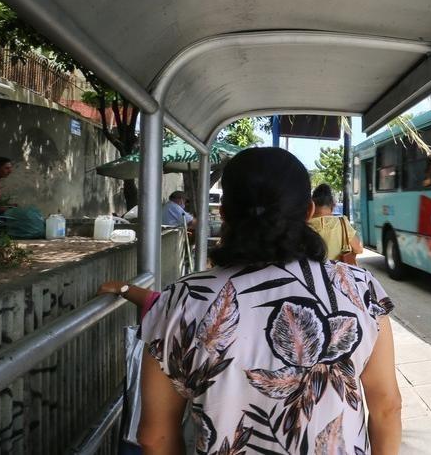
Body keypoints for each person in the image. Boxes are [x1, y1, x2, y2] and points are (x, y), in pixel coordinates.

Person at [137, 147, 401, 454]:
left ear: (223, 214)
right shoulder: (359, 288)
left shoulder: (180, 301)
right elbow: (387, 407)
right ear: (309, 212)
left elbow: (154, 437)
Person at [309, 183, 364, 262]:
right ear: (333, 205)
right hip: (338, 272)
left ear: (312, 205)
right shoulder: (342, 223)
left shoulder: (305, 225)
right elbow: (359, 249)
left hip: (312, 273)